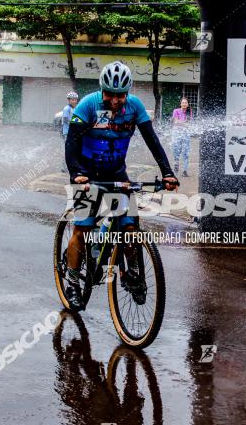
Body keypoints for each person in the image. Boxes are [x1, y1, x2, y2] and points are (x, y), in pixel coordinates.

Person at [63, 61, 179, 310]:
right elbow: (71, 143)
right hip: (87, 175)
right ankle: (72, 281)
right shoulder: (88, 105)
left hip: (117, 173)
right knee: (82, 231)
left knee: (129, 228)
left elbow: (152, 140)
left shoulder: (134, 107)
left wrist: (167, 172)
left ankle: (134, 274)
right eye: (110, 95)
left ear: (128, 92)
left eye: (120, 96)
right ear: (101, 90)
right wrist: (76, 174)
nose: (115, 101)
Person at [171, 97, 192, 177]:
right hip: (176, 133)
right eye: (183, 102)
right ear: (180, 104)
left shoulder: (189, 111)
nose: (184, 104)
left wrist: (181, 123)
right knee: (176, 151)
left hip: (186, 133)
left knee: (186, 152)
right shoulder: (176, 111)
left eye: (185, 103)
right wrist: (184, 123)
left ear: (187, 104)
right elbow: (176, 122)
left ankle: (185, 170)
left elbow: (189, 123)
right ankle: (176, 164)